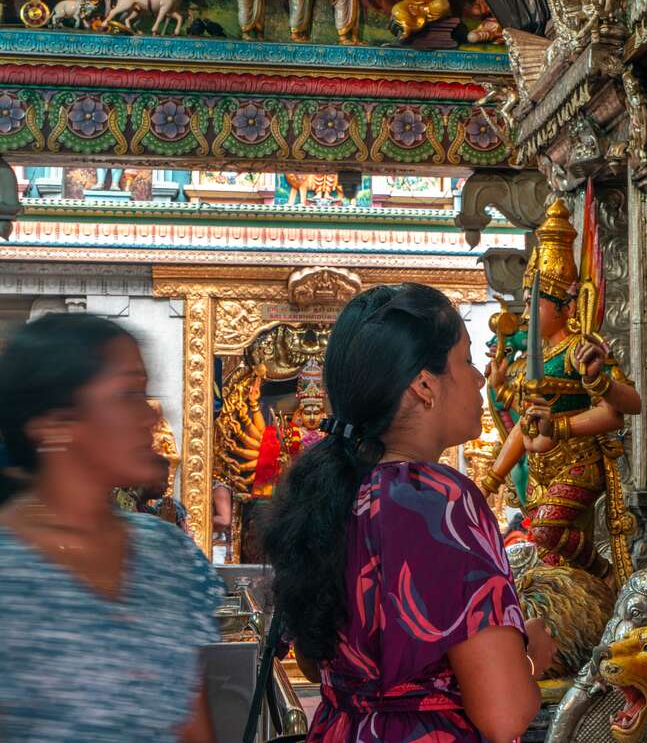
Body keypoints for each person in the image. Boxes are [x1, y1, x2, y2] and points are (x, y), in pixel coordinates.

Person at [263, 283, 554, 743]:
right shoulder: (438, 502)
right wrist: (531, 653)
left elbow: (312, 659)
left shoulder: (333, 487)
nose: (480, 379)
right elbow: (505, 713)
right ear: (423, 384)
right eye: (465, 360)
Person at [0, 313, 222, 742]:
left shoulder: (168, 554)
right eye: (128, 394)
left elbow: (191, 725)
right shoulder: (10, 569)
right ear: (55, 423)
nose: (151, 418)